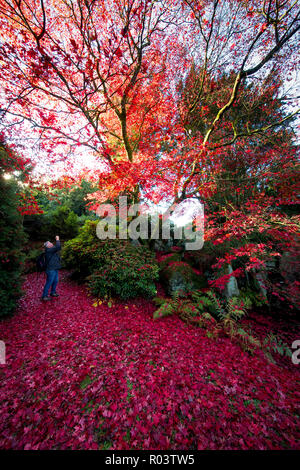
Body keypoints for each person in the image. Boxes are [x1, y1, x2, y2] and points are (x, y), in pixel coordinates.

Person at [41, 235, 61, 301]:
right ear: (48, 246)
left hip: (55, 268)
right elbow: (58, 247)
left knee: (55, 281)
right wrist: (57, 239)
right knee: (49, 282)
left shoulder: (52, 249)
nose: (51, 243)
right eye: (50, 243)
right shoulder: (49, 250)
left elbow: (57, 248)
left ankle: (53, 292)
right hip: (50, 269)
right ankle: (44, 296)